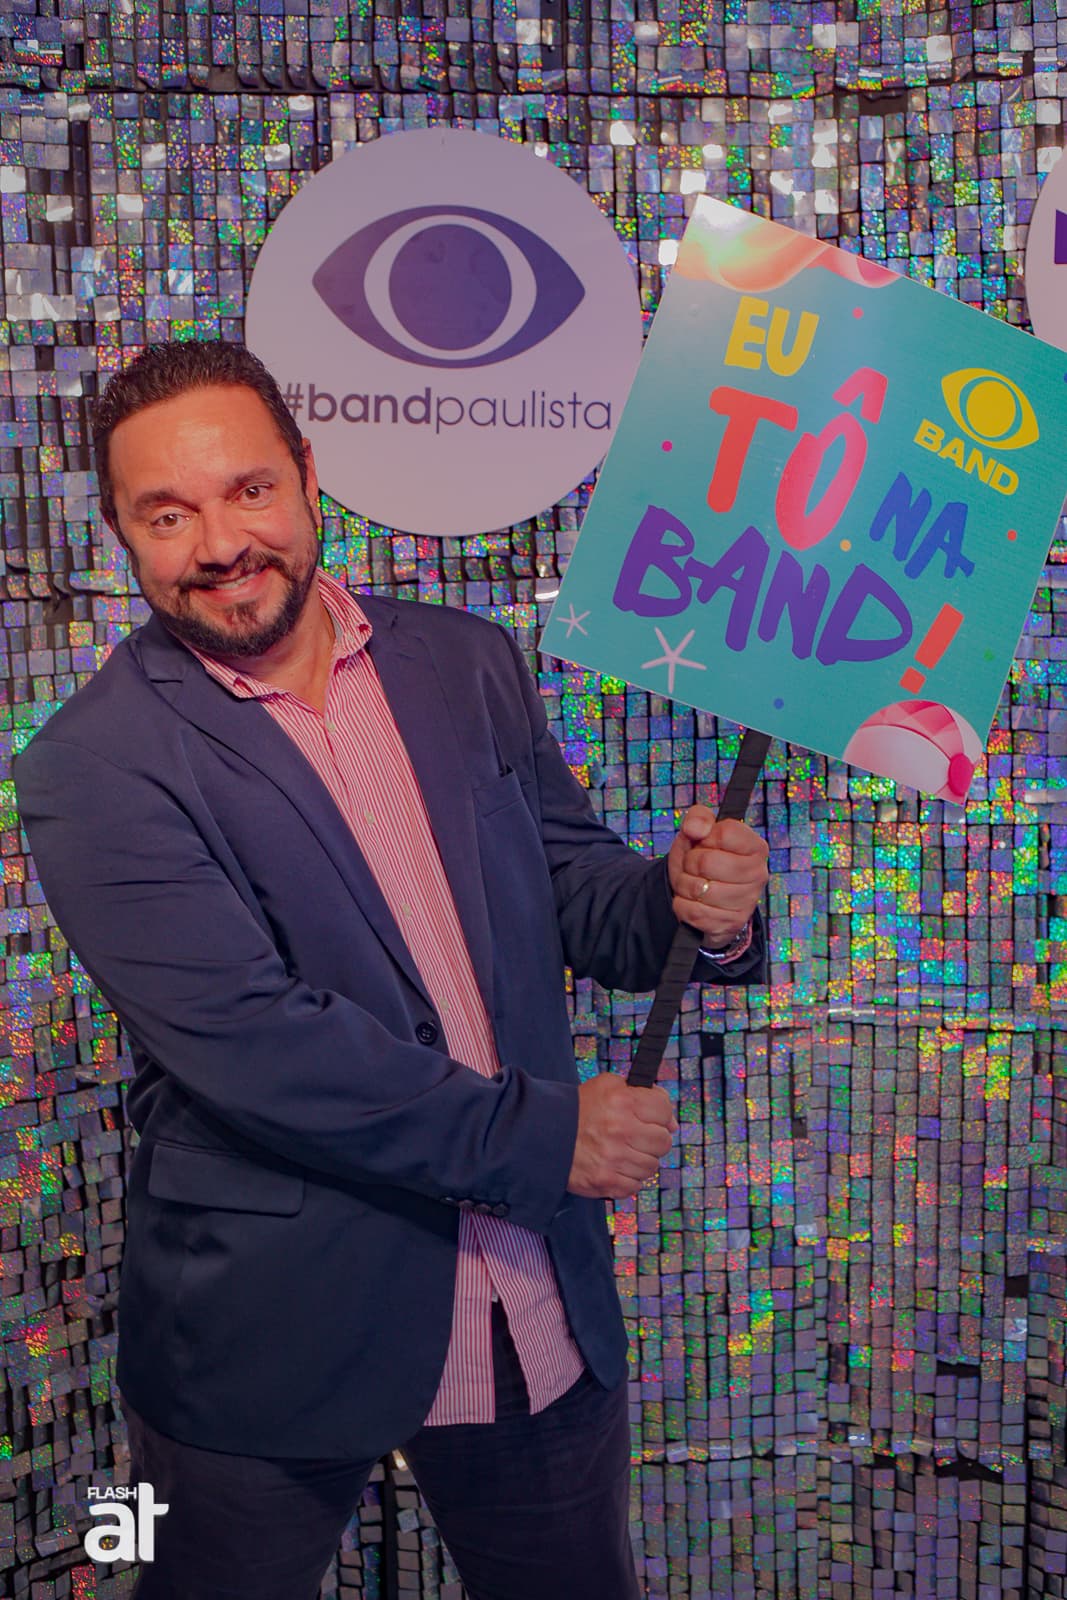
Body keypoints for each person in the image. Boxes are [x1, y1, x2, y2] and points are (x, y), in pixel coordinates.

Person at [14, 342, 769, 1600]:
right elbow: (257, 1045)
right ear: (121, 534)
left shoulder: (466, 660)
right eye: (167, 513)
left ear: (308, 477)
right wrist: (549, 1139)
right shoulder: (87, 765)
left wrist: (692, 903)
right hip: (256, 1341)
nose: (220, 543)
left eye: (249, 489)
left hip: (527, 1300)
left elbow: (578, 892)